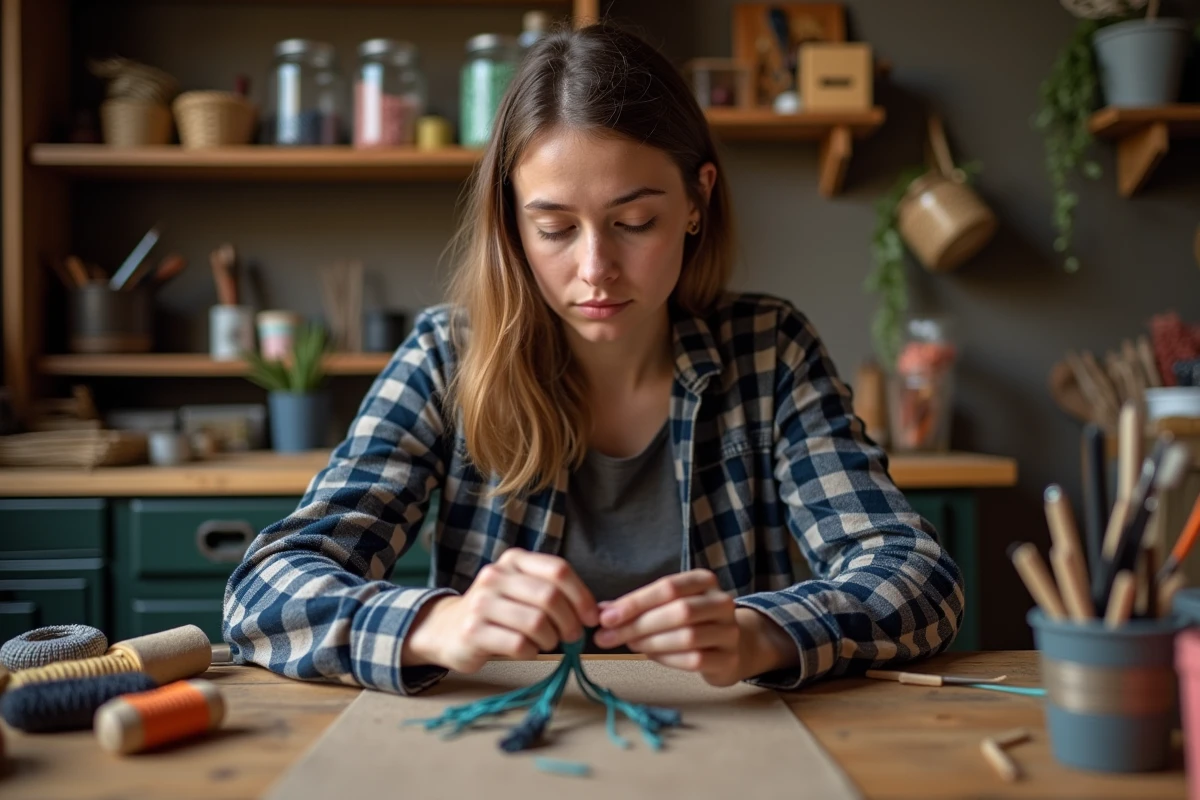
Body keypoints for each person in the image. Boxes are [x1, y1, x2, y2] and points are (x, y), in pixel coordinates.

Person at [223, 22, 964, 696]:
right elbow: (261, 592)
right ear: (513, 224)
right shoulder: (448, 355)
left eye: (634, 221)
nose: (595, 270)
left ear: (697, 200)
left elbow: (916, 575)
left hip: (730, 746)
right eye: (554, 228)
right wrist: (436, 625)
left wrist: (759, 634)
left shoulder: (770, 350)